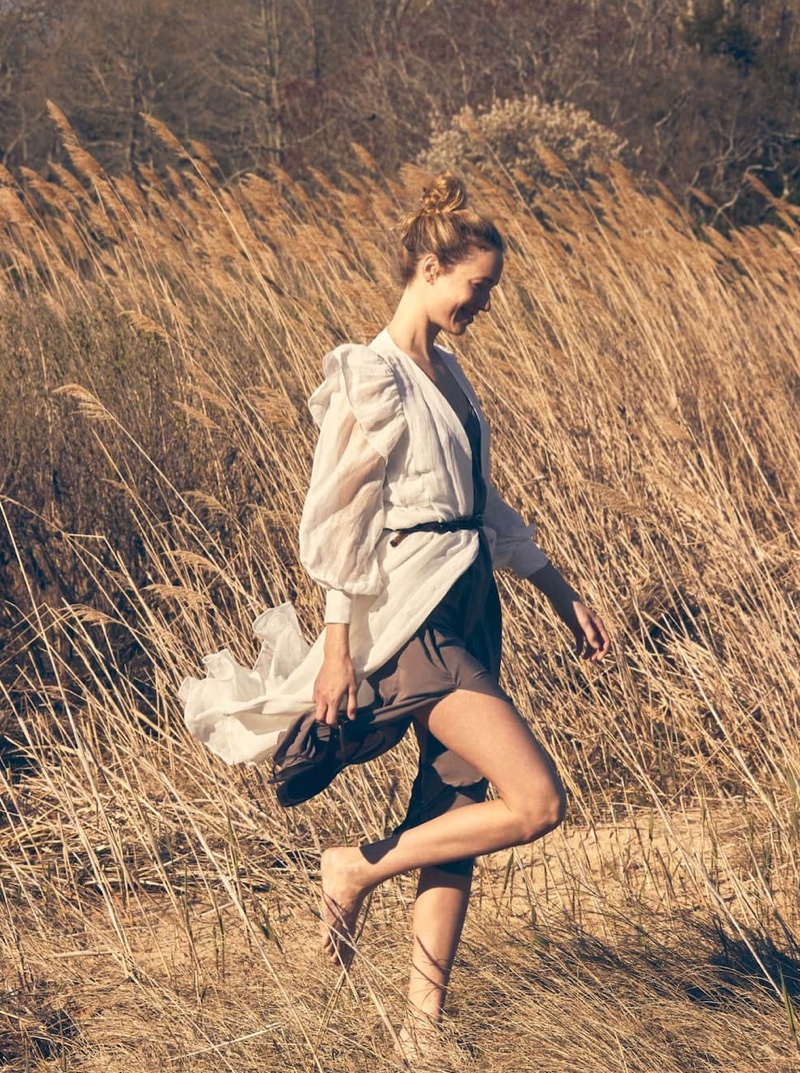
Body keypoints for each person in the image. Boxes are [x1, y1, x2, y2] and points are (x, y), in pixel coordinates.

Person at [180, 171, 610, 1062]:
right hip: (412, 615)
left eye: (490, 290)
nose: (483, 305)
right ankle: (357, 865)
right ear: (427, 266)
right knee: (535, 800)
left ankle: (423, 1035)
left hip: (469, 599)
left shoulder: (445, 373)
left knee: (452, 799)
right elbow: (339, 520)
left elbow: (479, 500)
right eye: (475, 287)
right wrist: (337, 642)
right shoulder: (368, 372)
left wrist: (557, 586)